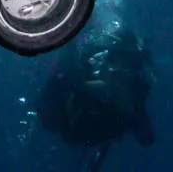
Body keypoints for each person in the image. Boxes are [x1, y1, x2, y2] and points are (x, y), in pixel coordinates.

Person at [36, 27, 156, 172]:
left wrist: (132, 105)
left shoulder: (134, 90)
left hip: (94, 129)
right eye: (125, 59)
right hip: (75, 122)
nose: (126, 70)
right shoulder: (87, 72)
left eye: (132, 62)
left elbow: (145, 137)